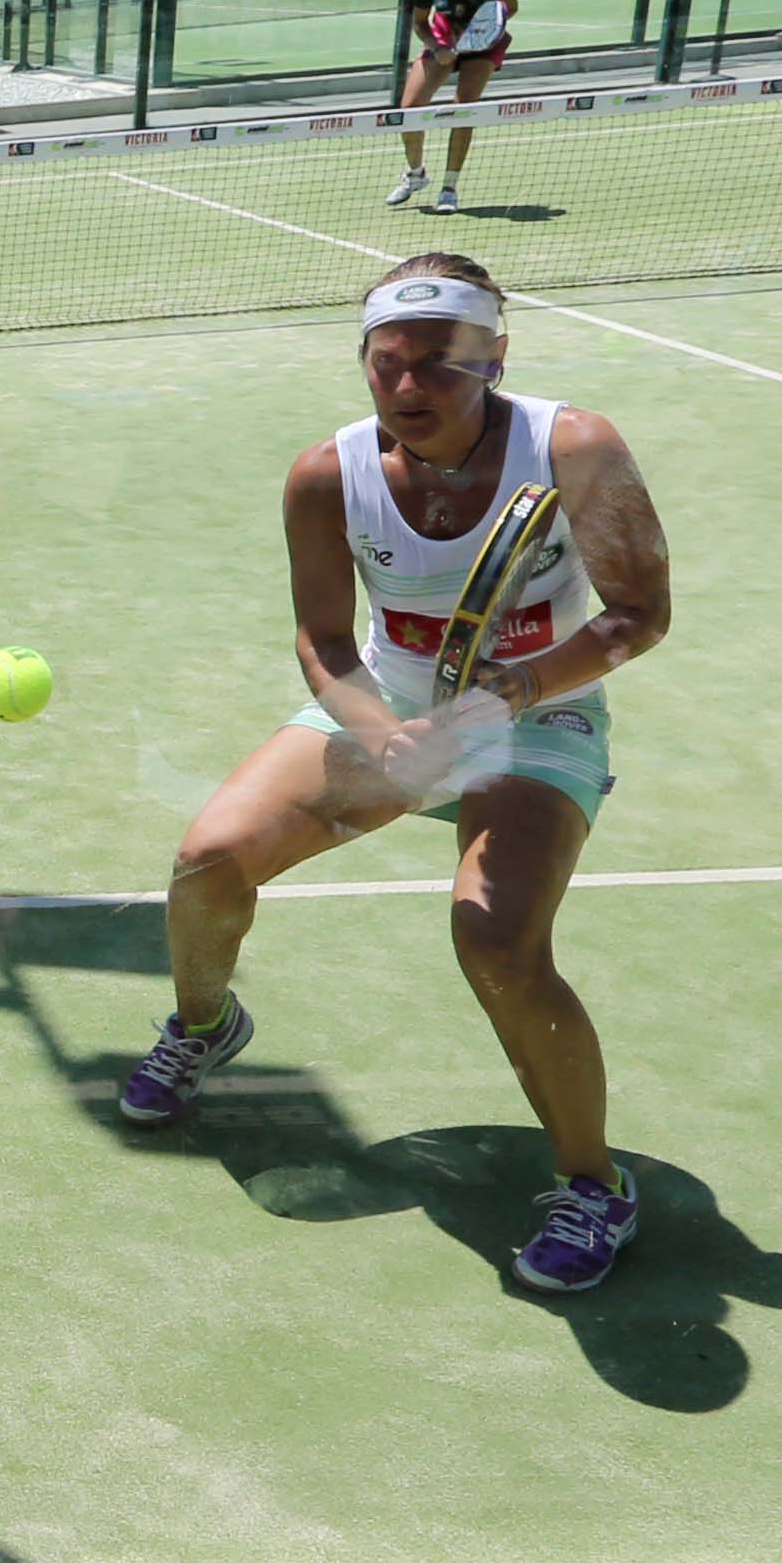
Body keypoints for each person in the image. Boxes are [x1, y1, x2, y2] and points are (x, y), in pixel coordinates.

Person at [122, 260, 677, 1295]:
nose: (410, 390)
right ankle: (203, 1025)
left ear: (495, 360)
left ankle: (597, 1186)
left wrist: (500, 700)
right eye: (388, 368)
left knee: (497, 944)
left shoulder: (573, 448)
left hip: (537, 712)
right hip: (386, 703)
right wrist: (383, 735)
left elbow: (638, 614)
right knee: (206, 862)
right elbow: (326, 643)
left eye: (440, 370)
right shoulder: (326, 475)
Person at [388, 0, 517, 213]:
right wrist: (437, 47)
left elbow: (510, 6)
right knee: (410, 109)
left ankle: (449, 188)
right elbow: (420, 22)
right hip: (444, 42)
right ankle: (416, 174)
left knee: (464, 106)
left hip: (484, 45)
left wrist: (481, 31)